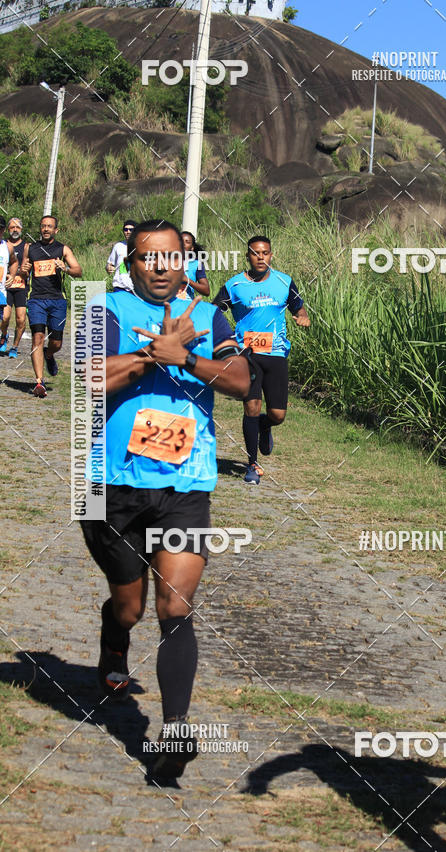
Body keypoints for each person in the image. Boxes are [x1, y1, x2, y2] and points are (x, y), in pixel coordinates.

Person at [79, 219, 252, 781]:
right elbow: (89, 380)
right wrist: (155, 356)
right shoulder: (104, 309)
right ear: (130, 263)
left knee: (175, 608)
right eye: (147, 259)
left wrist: (188, 360)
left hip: (186, 486)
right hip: (108, 485)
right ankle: (114, 639)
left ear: (186, 262)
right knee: (129, 606)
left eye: (170, 258)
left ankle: (175, 730)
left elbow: (242, 380)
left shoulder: (209, 316)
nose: (160, 268)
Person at [212, 235, 310, 484]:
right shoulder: (234, 285)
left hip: (276, 354)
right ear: (248, 256)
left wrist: (302, 316)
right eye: (255, 253)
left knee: (277, 415)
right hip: (247, 356)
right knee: (252, 407)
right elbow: (215, 312)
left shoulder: (284, 281)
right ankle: (252, 465)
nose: (260, 257)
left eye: (265, 252)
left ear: (271, 255)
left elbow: (298, 307)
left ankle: (265, 427)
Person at [21, 215, 82, 397]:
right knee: (37, 338)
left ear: (56, 230)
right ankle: (39, 382)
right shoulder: (30, 248)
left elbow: (78, 271)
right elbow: (24, 273)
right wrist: (22, 271)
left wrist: (65, 268)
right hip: (36, 299)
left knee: (56, 342)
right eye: (43, 226)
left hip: (57, 300)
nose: (46, 229)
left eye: (50, 226)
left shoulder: (62, 249)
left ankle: (49, 354)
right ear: (40, 229)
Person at [0, 217, 30, 358]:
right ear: (8, 229)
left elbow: (25, 266)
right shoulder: (5, 244)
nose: (15, 230)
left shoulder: (26, 246)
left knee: (20, 319)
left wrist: (23, 271)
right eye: (12, 227)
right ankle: (4, 336)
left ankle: (15, 346)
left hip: (21, 286)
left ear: (21, 229)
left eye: (17, 227)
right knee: (5, 318)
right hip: (6, 286)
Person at [106, 220, 137, 292]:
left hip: (136, 288)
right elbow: (109, 264)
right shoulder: (118, 246)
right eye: (125, 229)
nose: (128, 232)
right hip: (119, 286)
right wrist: (108, 268)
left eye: (131, 230)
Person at [179, 231, 209, 299]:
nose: (183, 244)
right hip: (169, 306)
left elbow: (206, 291)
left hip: (187, 306)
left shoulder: (196, 264)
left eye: (187, 242)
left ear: (192, 248)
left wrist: (187, 280)